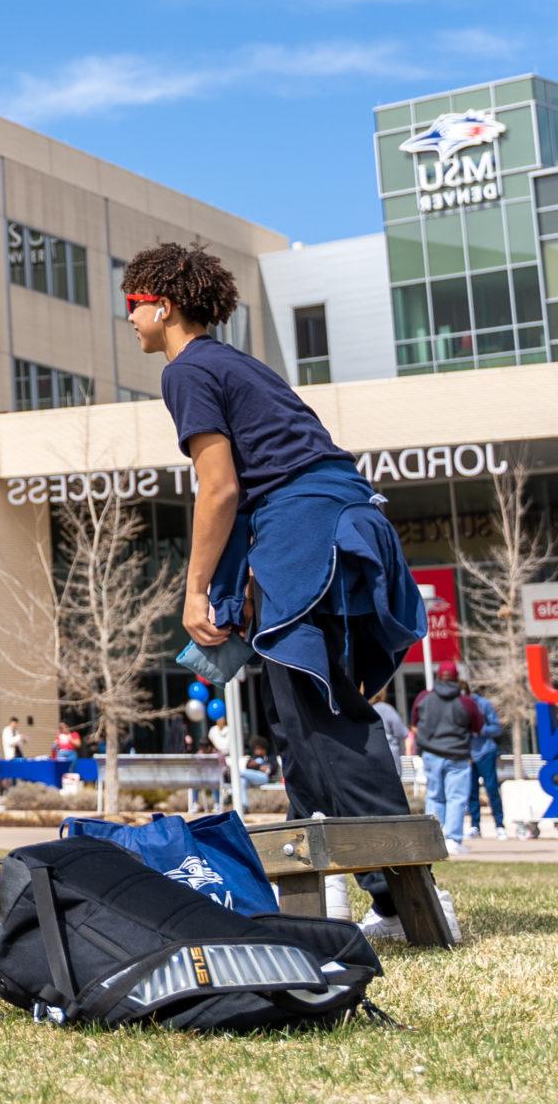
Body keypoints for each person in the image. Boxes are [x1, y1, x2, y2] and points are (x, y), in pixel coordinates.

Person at [125, 241, 444, 943]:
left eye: (131, 305)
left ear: (163, 303)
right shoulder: (235, 363)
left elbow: (222, 489)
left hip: (308, 531)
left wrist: (196, 589)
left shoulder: (189, 370)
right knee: (296, 727)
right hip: (330, 527)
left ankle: (413, 898)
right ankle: (333, 898)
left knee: (325, 719)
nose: (130, 321)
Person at [412, 660, 480, 854]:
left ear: (438, 677)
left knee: (434, 795)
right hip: (457, 753)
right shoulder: (466, 702)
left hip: (431, 753)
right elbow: (477, 726)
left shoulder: (424, 698)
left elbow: (414, 722)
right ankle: (452, 840)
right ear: (457, 678)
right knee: (456, 797)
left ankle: (432, 839)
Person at [469, 683, 508, 840]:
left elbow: (496, 728)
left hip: (485, 752)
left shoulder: (483, 704)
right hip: (466, 754)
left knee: (491, 788)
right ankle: (475, 826)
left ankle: (499, 825)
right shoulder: (457, 704)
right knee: (471, 791)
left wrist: (481, 730)